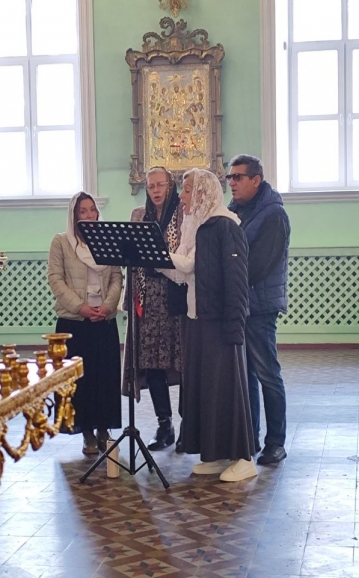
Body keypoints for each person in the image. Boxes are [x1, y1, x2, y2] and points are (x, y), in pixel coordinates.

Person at [158, 168, 257, 483]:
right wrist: (155, 261)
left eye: (187, 190)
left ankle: (243, 458)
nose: (182, 197)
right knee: (206, 389)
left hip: (220, 322)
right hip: (197, 319)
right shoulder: (197, 226)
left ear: (202, 193)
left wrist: (235, 326)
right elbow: (184, 272)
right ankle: (216, 453)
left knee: (228, 389)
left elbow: (237, 282)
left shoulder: (226, 225)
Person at [48, 192, 123, 456]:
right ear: (74, 215)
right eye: (83, 211)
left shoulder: (108, 240)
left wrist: (107, 306)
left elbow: (117, 277)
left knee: (105, 378)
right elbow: (56, 279)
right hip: (75, 322)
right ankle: (87, 433)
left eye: (92, 210)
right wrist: (80, 307)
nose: (89, 215)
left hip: (104, 319)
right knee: (81, 381)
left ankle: (104, 429)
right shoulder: (61, 242)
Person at [227, 154, 290, 466]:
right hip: (241, 303)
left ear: (256, 180)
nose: (232, 183)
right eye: (230, 177)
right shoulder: (234, 211)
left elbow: (261, 264)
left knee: (267, 374)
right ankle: (249, 437)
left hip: (261, 306)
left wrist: (228, 281)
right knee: (246, 375)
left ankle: (276, 442)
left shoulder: (274, 214)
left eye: (238, 177)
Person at [122, 167, 185, 451]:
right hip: (146, 298)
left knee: (181, 363)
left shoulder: (183, 213)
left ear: (170, 186)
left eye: (161, 185)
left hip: (175, 298)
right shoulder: (138, 215)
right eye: (151, 186)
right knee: (152, 364)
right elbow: (130, 258)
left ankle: (187, 425)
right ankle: (164, 424)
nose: (156, 191)